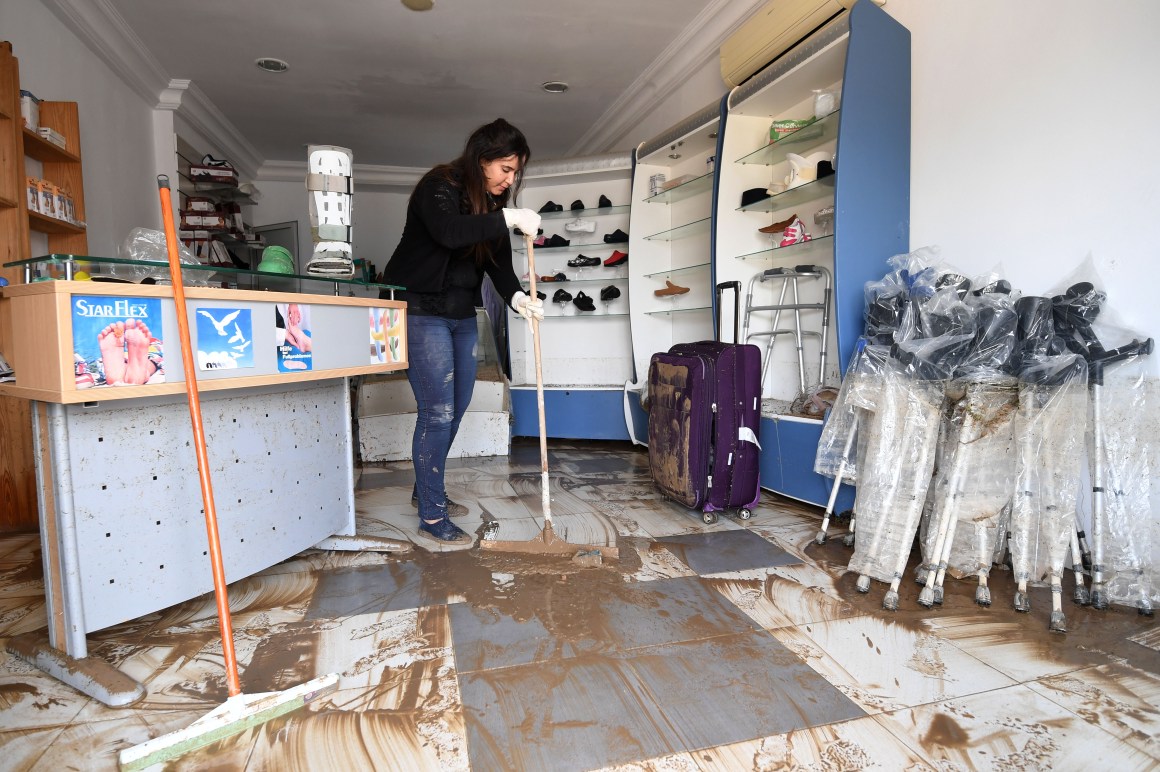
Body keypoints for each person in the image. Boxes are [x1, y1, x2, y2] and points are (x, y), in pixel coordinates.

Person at [382, 118, 543, 545]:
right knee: (437, 413)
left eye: (515, 172)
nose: (510, 179)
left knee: (454, 409)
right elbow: (450, 233)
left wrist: (519, 299)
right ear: (482, 159)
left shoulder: (494, 206)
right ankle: (432, 515)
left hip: (461, 315)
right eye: (505, 169)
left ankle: (424, 489)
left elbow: (499, 268)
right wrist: (507, 216)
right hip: (421, 311)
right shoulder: (439, 186)